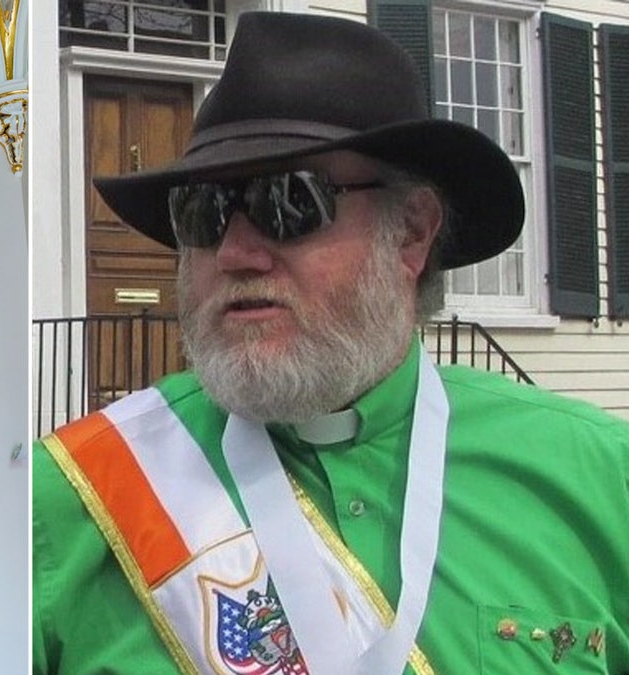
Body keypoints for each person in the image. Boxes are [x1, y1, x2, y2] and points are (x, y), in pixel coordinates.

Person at [32, 12, 629, 675]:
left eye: (289, 200)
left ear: (411, 232)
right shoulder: (60, 502)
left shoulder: (602, 480)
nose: (234, 251)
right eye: (200, 211)